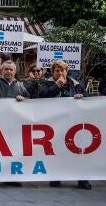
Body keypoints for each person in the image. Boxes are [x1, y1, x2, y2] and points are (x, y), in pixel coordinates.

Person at [36, 60, 91, 190]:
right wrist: (57, 86)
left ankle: (82, 179)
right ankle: (57, 176)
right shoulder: (46, 83)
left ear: (66, 71)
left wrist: (81, 97)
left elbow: (88, 99)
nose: (60, 73)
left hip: (74, 123)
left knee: (78, 150)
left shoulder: (76, 84)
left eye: (62, 70)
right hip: (55, 123)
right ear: (53, 72)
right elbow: (41, 97)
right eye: (57, 71)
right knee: (57, 150)